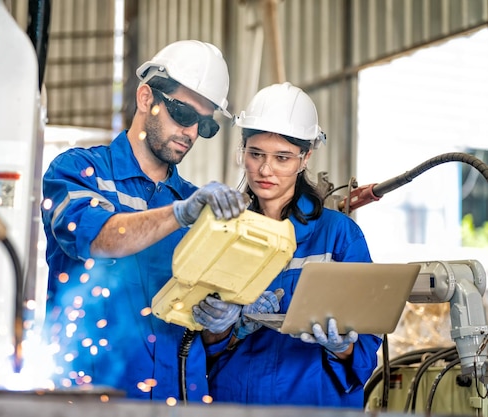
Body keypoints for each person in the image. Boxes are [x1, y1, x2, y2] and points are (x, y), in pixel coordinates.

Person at [40, 40, 247, 401]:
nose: (192, 133)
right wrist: (178, 214)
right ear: (145, 98)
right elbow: (100, 239)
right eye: (183, 114)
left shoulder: (198, 207)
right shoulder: (78, 172)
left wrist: (223, 318)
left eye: (204, 124)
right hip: (91, 398)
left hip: (181, 395)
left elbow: (207, 316)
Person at [191, 82, 382, 408]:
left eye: (282, 158)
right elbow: (198, 346)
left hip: (313, 406)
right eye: (255, 154)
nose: (265, 170)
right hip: (234, 404)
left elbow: (366, 345)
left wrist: (342, 348)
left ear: (305, 158)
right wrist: (228, 330)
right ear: (243, 151)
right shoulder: (222, 233)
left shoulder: (339, 236)